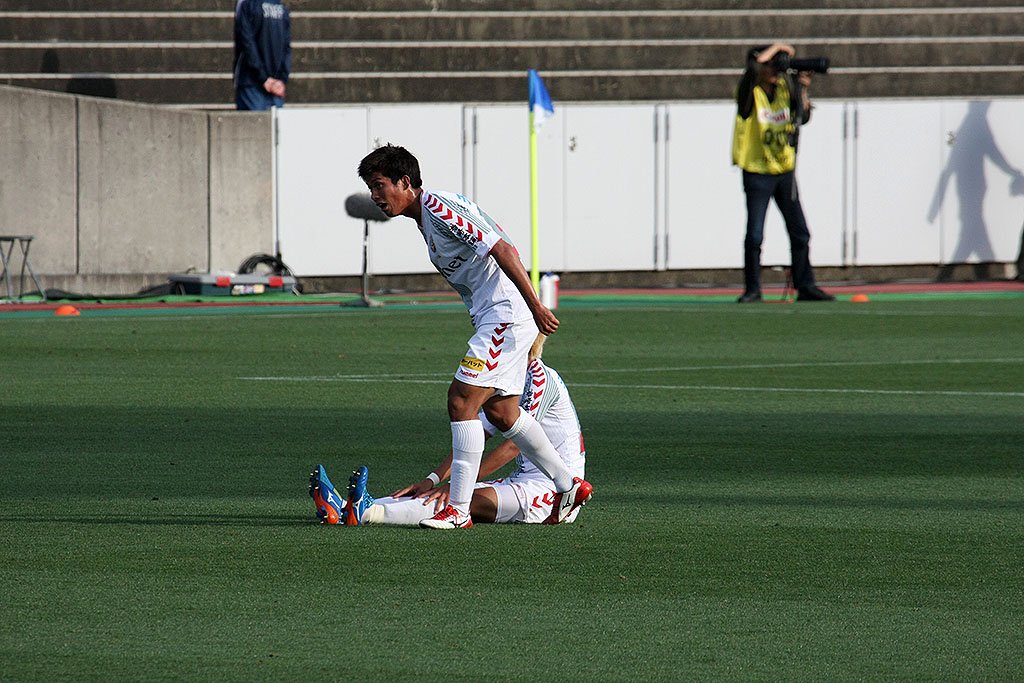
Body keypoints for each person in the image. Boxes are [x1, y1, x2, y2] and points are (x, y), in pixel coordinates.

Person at [354, 144, 592, 529]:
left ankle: (458, 510)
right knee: (502, 412)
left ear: (405, 182)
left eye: (380, 185)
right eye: (371, 188)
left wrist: (534, 304)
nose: (375, 196)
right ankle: (569, 485)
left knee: (460, 400)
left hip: (505, 315)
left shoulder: (438, 207)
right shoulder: (426, 220)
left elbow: (502, 247)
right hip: (497, 316)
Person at [309, 335, 588, 527]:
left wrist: (458, 484)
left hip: (553, 494)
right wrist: (432, 479)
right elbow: (477, 435)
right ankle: (345, 508)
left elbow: (514, 446)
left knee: (460, 499)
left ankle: (367, 513)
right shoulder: (510, 380)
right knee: (440, 494)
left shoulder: (539, 379)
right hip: (523, 481)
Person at [732, 43, 834, 303]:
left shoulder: (784, 89)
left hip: (784, 171)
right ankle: (753, 289)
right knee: (755, 234)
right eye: (772, 64)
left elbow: (802, 117)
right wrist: (778, 46)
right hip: (757, 171)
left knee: (800, 231)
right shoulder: (750, 92)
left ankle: (805, 285)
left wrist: (803, 89)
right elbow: (751, 70)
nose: (777, 69)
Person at [233, 0, 291, 111]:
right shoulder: (281, 7)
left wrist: (264, 78)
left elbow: (247, 43)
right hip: (276, 86)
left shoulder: (246, 4)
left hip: (251, 82)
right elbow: (286, 47)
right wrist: (281, 80)